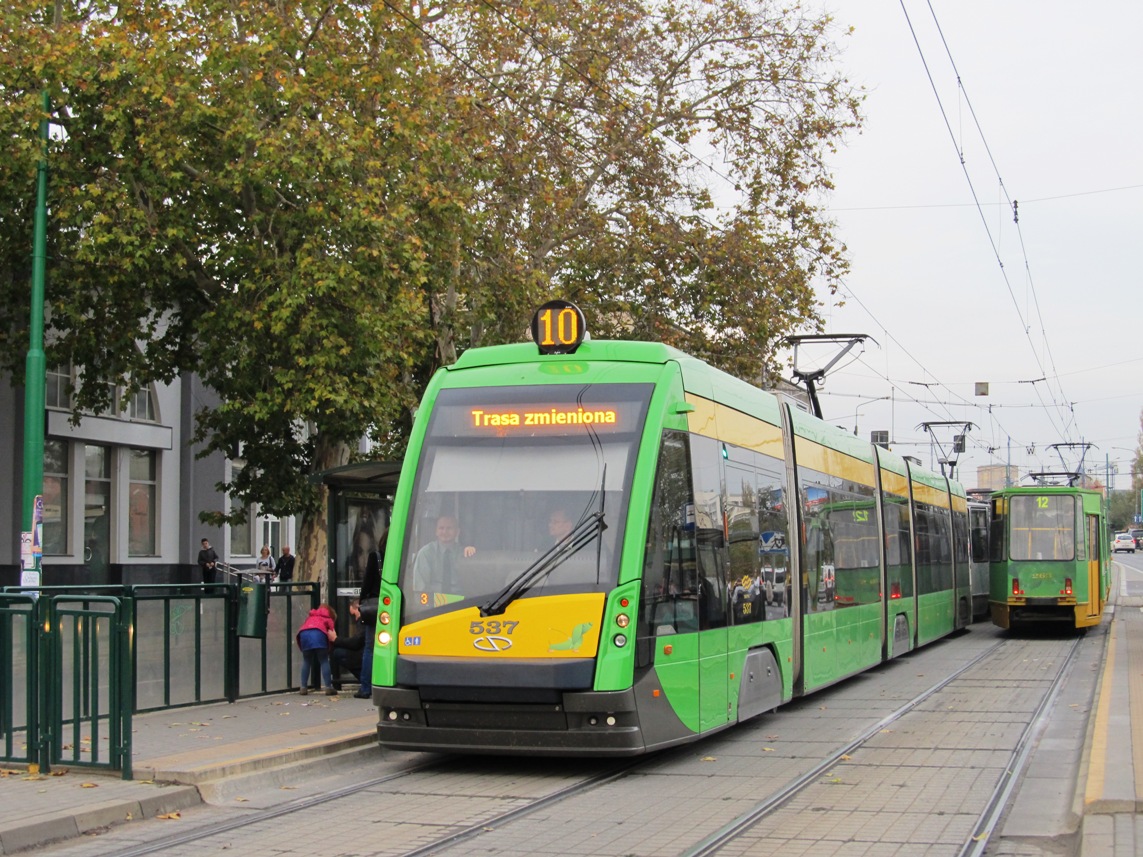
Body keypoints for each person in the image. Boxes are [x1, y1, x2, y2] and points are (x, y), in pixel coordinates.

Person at [412, 515, 475, 593]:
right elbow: (420, 587)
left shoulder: (464, 552)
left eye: (449, 528)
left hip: (461, 601)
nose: (445, 532)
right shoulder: (426, 553)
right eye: (441, 528)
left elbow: (473, 582)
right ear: (436, 531)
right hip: (433, 601)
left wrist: (473, 553)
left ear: (457, 532)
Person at [296, 603, 337, 696]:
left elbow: (304, 627)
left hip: (304, 634)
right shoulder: (328, 618)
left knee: (306, 661)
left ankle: (303, 687)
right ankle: (328, 687)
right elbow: (331, 633)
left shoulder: (310, 616)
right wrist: (330, 647)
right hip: (319, 634)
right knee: (324, 660)